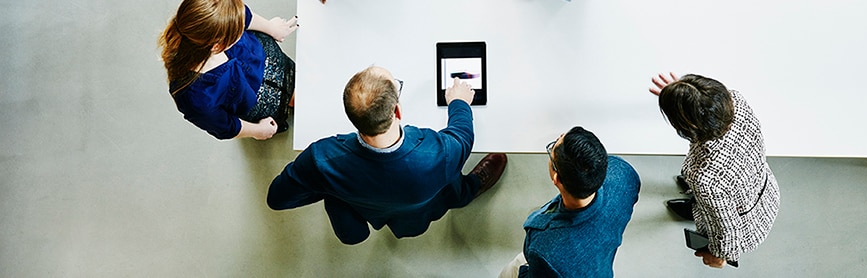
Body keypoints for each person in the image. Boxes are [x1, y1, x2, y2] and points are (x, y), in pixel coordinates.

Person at [267, 66, 508, 244]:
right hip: (423, 206)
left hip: (371, 210)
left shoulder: (321, 159)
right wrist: (458, 102)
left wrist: (330, 188)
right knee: (452, 181)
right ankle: (471, 189)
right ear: (398, 111)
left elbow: (277, 198)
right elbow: (463, 136)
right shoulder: (438, 151)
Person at [648, 72, 780, 268]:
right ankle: (698, 203)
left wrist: (721, 256)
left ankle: (698, 206)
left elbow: (726, 227)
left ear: (688, 126)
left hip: (747, 224)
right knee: (705, 192)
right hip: (762, 189)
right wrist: (685, 97)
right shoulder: (736, 100)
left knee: (709, 201)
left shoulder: (705, 179)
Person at [499, 126, 640, 277]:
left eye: (552, 148)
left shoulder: (546, 251)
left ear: (557, 179)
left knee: (512, 269)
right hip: (600, 267)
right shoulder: (624, 175)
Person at [159, 0, 298, 140]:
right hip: (260, 100)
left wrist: (271, 28)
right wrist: (258, 131)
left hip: (265, 58)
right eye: (238, 31)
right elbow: (226, 126)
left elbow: (242, 14)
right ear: (218, 46)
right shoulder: (192, 97)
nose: (242, 26)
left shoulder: (218, 17)